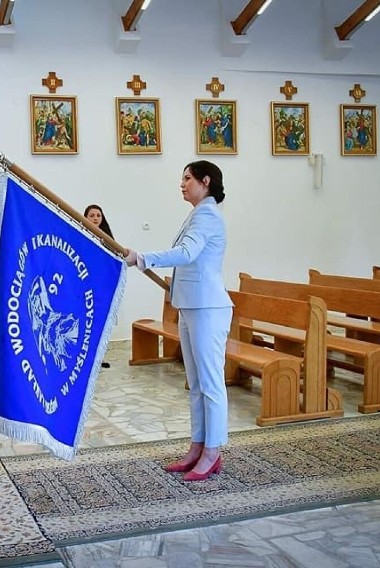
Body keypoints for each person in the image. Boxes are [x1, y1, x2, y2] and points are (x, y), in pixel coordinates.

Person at [124, 160, 232, 482]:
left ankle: (213, 452)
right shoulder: (197, 213)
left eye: (188, 178)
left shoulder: (208, 215)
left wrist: (142, 258)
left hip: (208, 309)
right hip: (190, 306)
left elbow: (186, 254)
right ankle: (198, 446)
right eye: (181, 179)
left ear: (206, 181)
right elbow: (188, 259)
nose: (182, 184)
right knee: (196, 384)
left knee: (211, 384)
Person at [85, 204, 114, 369]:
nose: (95, 218)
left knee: (100, 321)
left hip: (101, 286)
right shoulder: (82, 235)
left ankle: (99, 357)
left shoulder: (108, 239)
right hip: (86, 285)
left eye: (98, 215)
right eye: (92, 215)